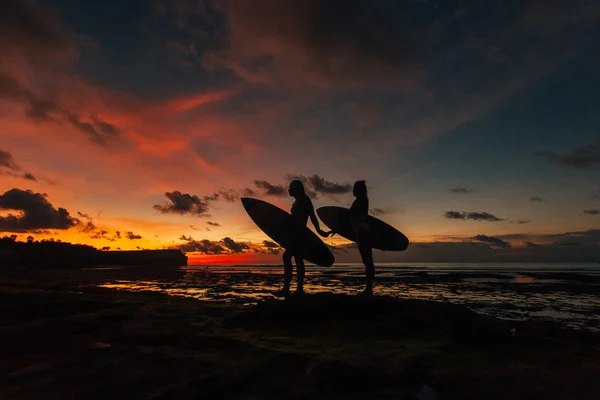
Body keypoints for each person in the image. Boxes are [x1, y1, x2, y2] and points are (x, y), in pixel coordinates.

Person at [272, 180, 331, 297]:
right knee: (298, 260)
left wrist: (319, 231)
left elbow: (312, 216)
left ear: (296, 188)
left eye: (290, 188)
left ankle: (288, 288)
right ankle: (298, 289)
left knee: (287, 257)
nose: (288, 190)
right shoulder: (298, 201)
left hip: (299, 234)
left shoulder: (305, 200)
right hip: (295, 233)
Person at [349, 180, 375, 296]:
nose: (353, 191)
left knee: (368, 261)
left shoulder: (361, 201)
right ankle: (368, 288)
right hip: (361, 232)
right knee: (367, 261)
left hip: (363, 232)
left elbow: (351, 215)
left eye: (355, 188)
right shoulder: (362, 200)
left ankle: (369, 289)